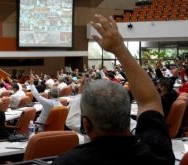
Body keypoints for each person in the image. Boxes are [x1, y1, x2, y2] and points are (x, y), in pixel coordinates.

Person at [52, 15, 174, 165]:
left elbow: (149, 101)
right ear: (128, 117)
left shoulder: (66, 162)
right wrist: (119, 48)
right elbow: (150, 100)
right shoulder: (157, 154)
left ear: (86, 124)